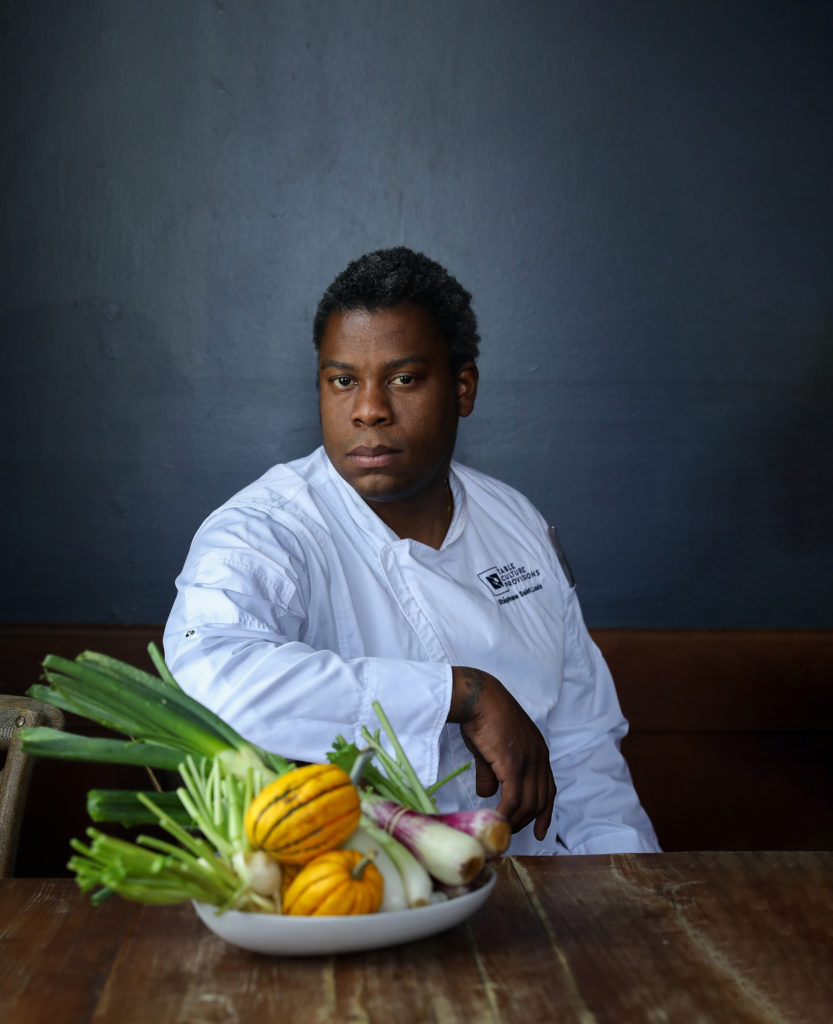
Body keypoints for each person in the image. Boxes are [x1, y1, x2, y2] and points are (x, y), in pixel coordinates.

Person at [163, 247, 660, 856]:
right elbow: (214, 675)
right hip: (355, 901)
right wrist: (461, 693)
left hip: (541, 896)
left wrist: (630, 885)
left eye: (403, 379)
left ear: (462, 386)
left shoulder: (517, 521)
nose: (369, 409)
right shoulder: (263, 530)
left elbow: (584, 740)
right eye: (343, 381)